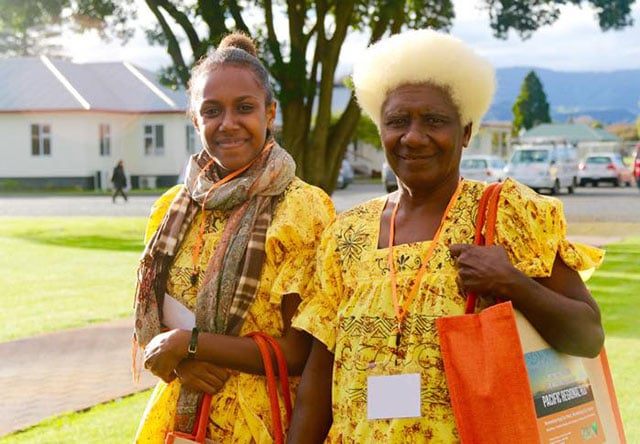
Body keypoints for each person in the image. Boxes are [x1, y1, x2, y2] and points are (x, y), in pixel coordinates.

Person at [287, 29, 605, 443]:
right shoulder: (346, 233)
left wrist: (513, 283)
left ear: (467, 132)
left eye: (434, 121)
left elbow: (588, 336)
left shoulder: (507, 213)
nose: (414, 137)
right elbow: (318, 373)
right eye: (397, 121)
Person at [133, 32, 334, 443]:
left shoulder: (302, 209)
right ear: (195, 119)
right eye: (212, 111)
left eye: (245, 108)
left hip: (264, 420)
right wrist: (179, 363)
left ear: (270, 113)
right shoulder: (173, 207)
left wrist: (189, 345)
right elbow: (151, 316)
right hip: (182, 416)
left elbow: (302, 352)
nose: (228, 124)